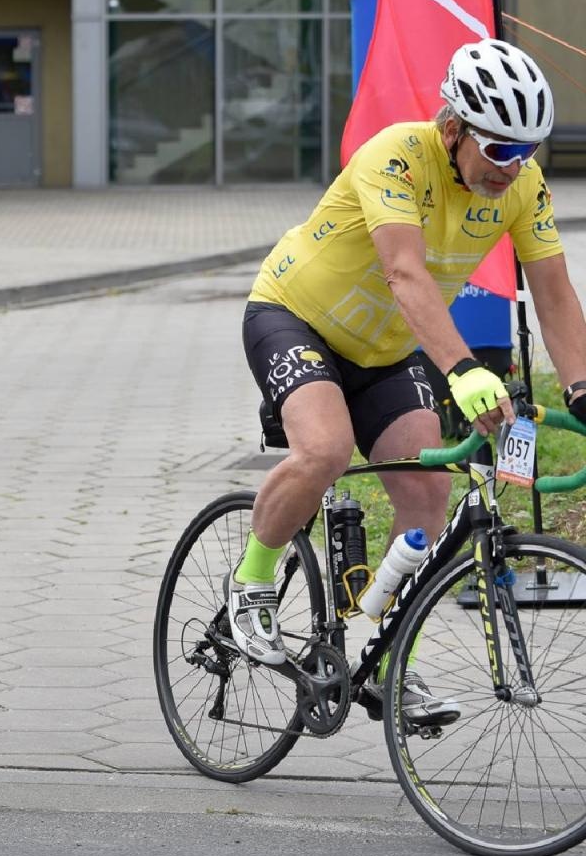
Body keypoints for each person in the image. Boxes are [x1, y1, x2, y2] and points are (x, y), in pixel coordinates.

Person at [231, 38, 586, 724]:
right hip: (296, 317)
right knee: (327, 451)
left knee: (428, 487)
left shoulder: (521, 187)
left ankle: (390, 665)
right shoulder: (395, 156)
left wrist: (580, 387)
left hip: (387, 349)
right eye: (501, 150)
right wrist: (461, 370)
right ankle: (251, 583)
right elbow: (404, 273)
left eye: (529, 151)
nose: (515, 169)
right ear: (453, 129)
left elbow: (554, 291)